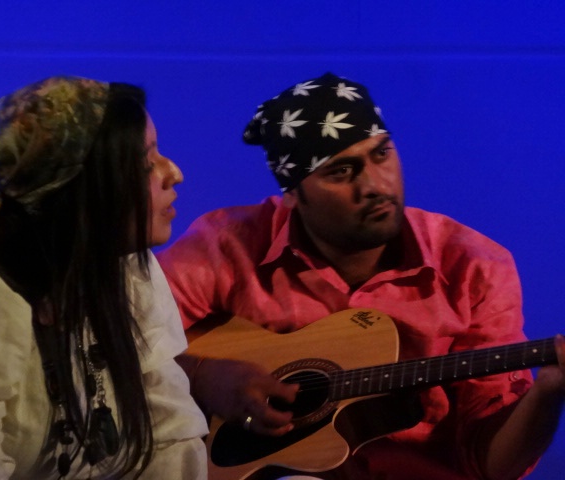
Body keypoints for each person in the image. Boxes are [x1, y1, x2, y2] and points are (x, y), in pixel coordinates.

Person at [157, 72, 565, 479]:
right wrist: (202, 377)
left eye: (381, 154)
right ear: (293, 194)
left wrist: (548, 393)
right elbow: (124, 345)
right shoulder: (226, 246)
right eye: (341, 171)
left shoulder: (474, 267)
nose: (374, 185)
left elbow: (490, 466)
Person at [0, 76, 208, 479]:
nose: (174, 173)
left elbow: (168, 433)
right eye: (146, 161)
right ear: (80, 186)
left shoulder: (126, 275)